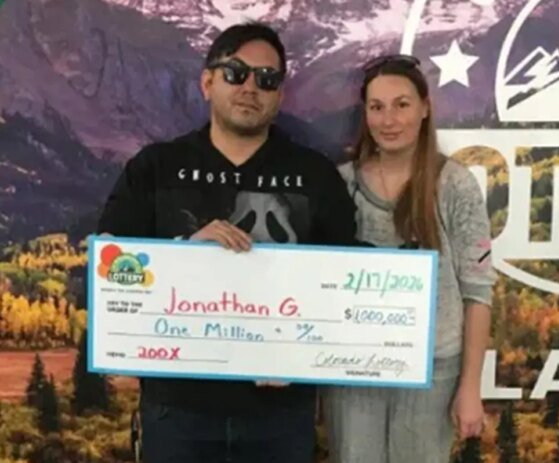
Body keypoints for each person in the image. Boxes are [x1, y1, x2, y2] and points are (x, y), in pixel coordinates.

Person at [97, 22, 357, 463]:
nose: (250, 87)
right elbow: (110, 268)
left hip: (281, 415)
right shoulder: (155, 167)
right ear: (207, 82)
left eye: (267, 79)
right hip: (176, 409)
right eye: (236, 73)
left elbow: (344, 285)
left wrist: (305, 356)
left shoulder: (315, 175)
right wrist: (185, 253)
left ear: (280, 95)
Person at [324, 54, 495, 463]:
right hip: (354, 364)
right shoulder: (340, 184)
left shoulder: (455, 184)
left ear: (424, 108)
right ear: (365, 114)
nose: (389, 120)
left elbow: (477, 291)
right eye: (376, 107)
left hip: (433, 367)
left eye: (401, 104)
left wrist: (470, 387)